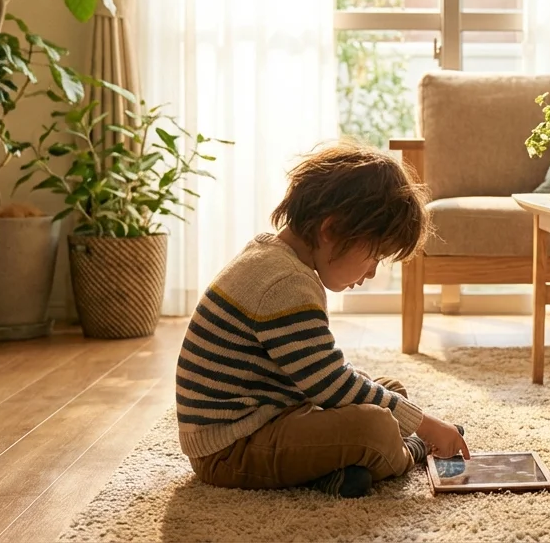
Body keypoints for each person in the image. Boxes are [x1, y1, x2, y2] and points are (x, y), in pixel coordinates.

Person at [176, 141, 470, 498]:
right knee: (376, 428)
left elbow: (320, 372)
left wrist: (405, 414)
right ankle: (410, 453)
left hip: (271, 416)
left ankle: (330, 472)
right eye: (374, 257)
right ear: (331, 230)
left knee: (390, 390)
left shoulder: (274, 257)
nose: (372, 273)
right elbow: (331, 385)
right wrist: (424, 428)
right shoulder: (286, 282)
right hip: (230, 449)